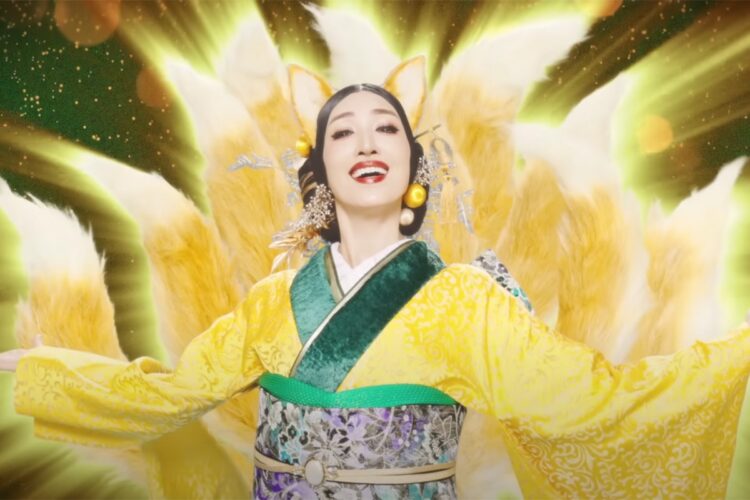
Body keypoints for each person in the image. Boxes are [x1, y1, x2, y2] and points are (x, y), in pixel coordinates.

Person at [2, 82, 750, 499]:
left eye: (386, 130)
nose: (365, 143)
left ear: (415, 170)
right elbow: (172, 393)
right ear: (319, 175)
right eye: (343, 133)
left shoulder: (465, 301)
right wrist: (39, 371)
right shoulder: (274, 300)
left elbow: (589, 402)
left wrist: (735, 359)